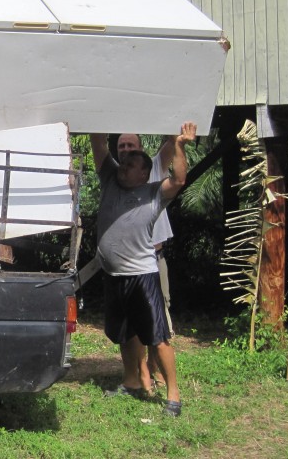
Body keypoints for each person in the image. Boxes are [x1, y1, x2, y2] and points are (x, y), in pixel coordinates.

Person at [91, 121, 196, 418]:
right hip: (114, 276)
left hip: (142, 276)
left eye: (129, 165)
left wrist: (178, 145)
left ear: (143, 173)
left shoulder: (153, 194)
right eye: (122, 162)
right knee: (124, 334)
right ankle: (132, 381)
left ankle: (173, 396)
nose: (122, 167)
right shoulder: (110, 180)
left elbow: (178, 180)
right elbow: (98, 142)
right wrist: (101, 111)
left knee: (158, 337)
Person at [117, 133, 175, 389]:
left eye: (130, 145)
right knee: (131, 325)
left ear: (140, 149)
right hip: (126, 264)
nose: (126, 149)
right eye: (121, 146)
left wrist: (178, 134)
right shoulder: (116, 177)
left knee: (157, 320)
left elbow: (171, 145)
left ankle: (158, 371)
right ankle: (139, 374)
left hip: (153, 259)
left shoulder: (152, 168)